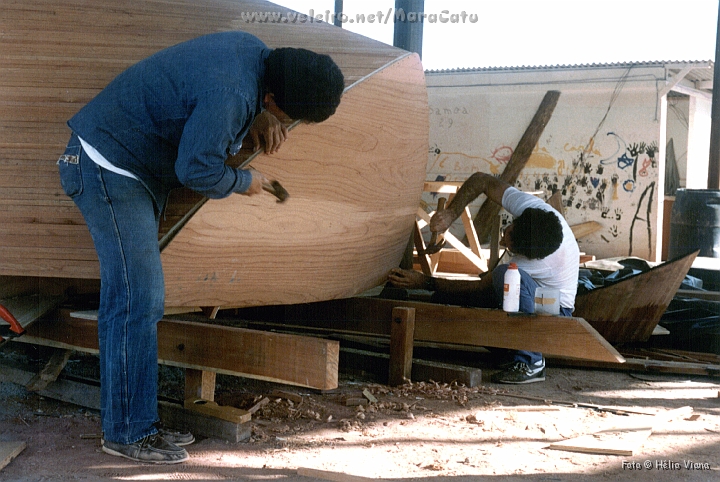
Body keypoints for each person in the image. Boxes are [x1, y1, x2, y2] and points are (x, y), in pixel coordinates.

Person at [57, 31, 344, 464]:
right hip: (107, 166)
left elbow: (215, 94)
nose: (287, 127)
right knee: (136, 301)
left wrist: (258, 117)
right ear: (272, 97)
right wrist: (247, 181)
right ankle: (127, 433)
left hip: (132, 165)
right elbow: (195, 169)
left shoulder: (253, 52)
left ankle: (138, 421)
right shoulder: (231, 94)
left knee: (140, 298)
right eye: (288, 118)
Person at [388, 172, 579, 384]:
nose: (504, 241)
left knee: (503, 276)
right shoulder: (532, 209)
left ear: (527, 253)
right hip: (532, 296)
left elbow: (480, 286)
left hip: (556, 312)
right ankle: (510, 351)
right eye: (508, 232)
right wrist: (451, 214)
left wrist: (425, 282)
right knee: (458, 301)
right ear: (521, 217)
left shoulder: (537, 261)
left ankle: (531, 362)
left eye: (510, 245)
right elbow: (482, 180)